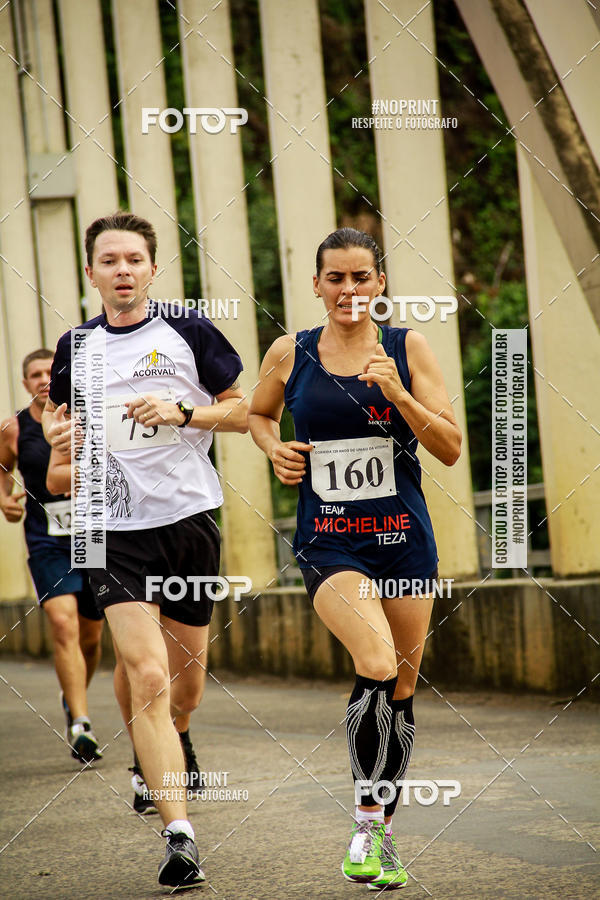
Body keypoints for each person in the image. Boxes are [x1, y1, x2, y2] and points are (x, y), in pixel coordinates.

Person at [249, 227, 461, 889]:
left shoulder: (407, 346)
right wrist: (273, 448)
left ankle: (380, 833)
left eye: (360, 278)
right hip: (329, 538)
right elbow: (258, 415)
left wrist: (398, 394)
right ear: (315, 285)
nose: (348, 290)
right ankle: (367, 828)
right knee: (376, 661)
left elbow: (451, 446)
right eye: (334, 278)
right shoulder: (291, 352)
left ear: (380, 284)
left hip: (402, 536)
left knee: (401, 688)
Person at [42, 211, 248, 887]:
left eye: (134, 259)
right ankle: (179, 835)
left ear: (152, 268)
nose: (122, 270)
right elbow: (66, 439)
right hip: (109, 522)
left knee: (184, 683)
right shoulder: (75, 347)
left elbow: (245, 411)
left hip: (188, 517)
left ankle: (167, 736)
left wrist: (181, 414)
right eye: (110, 260)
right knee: (147, 672)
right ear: (91, 272)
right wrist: (58, 440)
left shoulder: (189, 330)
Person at [0, 349, 104, 763]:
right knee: (63, 625)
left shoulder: (87, 415)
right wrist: (4, 500)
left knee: (91, 636)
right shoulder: (13, 427)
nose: (43, 378)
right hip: (47, 541)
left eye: (50, 371)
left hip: (95, 535)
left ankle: (72, 693)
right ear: (25, 383)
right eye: (35, 374)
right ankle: (81, 723)